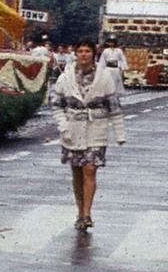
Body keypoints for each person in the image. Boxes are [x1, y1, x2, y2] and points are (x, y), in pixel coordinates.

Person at [49, 40, 126, 231]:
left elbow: (114, 106)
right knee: (77, 172)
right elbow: (56, 104)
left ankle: (87, 214)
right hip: (72, 130)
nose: (84, 54)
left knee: (90, 169)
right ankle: (79, 209)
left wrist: (119, 133)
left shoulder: (105, 77)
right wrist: (63, 124)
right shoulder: (66, 77)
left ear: (94, 54)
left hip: (96, 128)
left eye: (87, 51)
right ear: (75, 54)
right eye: (80, 51)